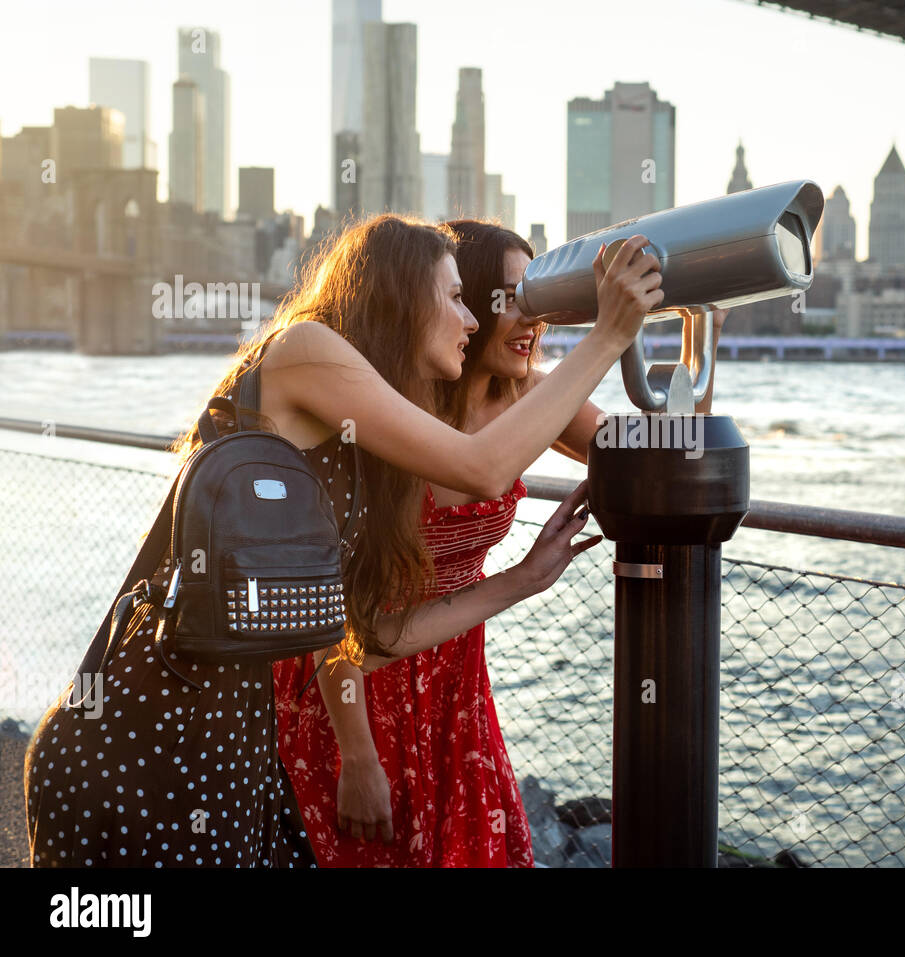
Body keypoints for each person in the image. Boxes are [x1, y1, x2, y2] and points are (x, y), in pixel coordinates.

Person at [24, 213, 662, 867]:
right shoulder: (307, 350)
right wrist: (611, 334)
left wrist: (522, 580)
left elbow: (365, 638)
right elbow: (481, 466)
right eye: (453, 298)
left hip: (234, 737)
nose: (470, 320)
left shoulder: (360, 434)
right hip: (151, 731)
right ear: (400, 296)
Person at [275, 220, 726, 866]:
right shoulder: (389, 405)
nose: (530, 320)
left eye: (537, 301)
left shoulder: (534, 395)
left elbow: (657, 454)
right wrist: (358, 754)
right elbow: (329, 602)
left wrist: (699, 342)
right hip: (352, 680)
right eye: (507, 298)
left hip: (455, 673)